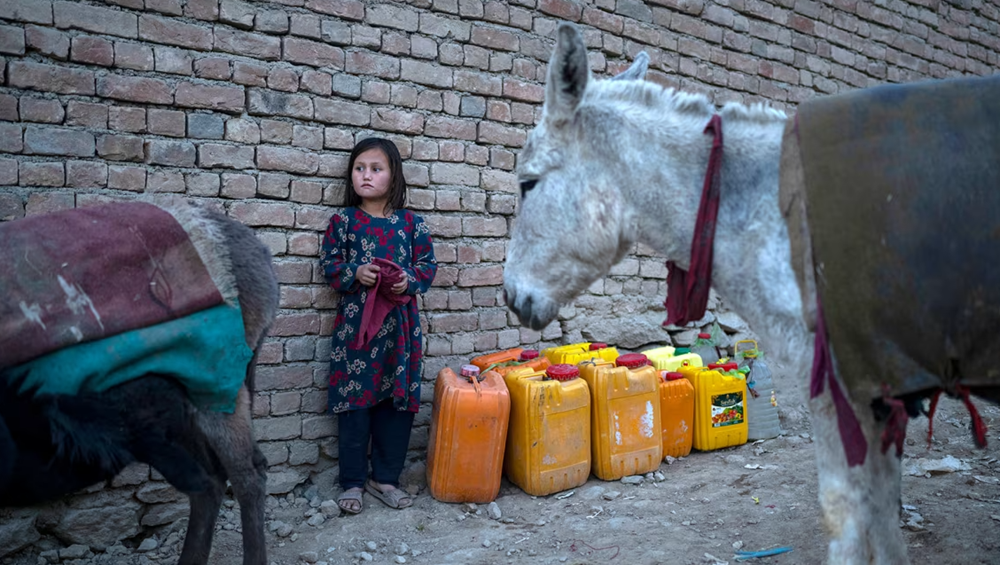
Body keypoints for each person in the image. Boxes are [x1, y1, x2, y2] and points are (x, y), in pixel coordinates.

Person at [320, 137, 437, 514]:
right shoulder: (344, 222)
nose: (366, 175)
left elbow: (428, 266)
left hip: (400, 331)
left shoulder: (411, 224)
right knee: (355, 402)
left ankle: (385, 479)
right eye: (359, 168)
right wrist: (356, 272)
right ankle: (353, 482)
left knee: (396, 403)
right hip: (357, 330)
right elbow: (330, 265)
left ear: (394, 175)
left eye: (376, 169)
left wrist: (407, 281)